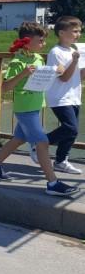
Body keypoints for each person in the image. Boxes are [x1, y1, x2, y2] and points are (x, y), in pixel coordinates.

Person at [0, 22, 79, 196]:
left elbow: (46, 76)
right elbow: (5, 87)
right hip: (24, 109)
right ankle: (52, 183)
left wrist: (56, 71)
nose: (44, 44)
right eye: (40, 41)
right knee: (42, 143)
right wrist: (24, 73)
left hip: (35, 107)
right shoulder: (17, 61)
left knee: (18, 139)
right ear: (27, 42)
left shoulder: (37, 58)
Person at [38, 16, 83, 174]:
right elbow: (64, 77)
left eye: (80, 31)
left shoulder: (74, 51)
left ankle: (61, 161)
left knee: (73, 131)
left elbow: (79, 76)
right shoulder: (55, 52)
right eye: (75, 31)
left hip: (74, 95)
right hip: (59, 96)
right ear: (62, 33)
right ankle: (40, 144)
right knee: (70, 128)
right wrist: (75, 61)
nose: (78, 34)